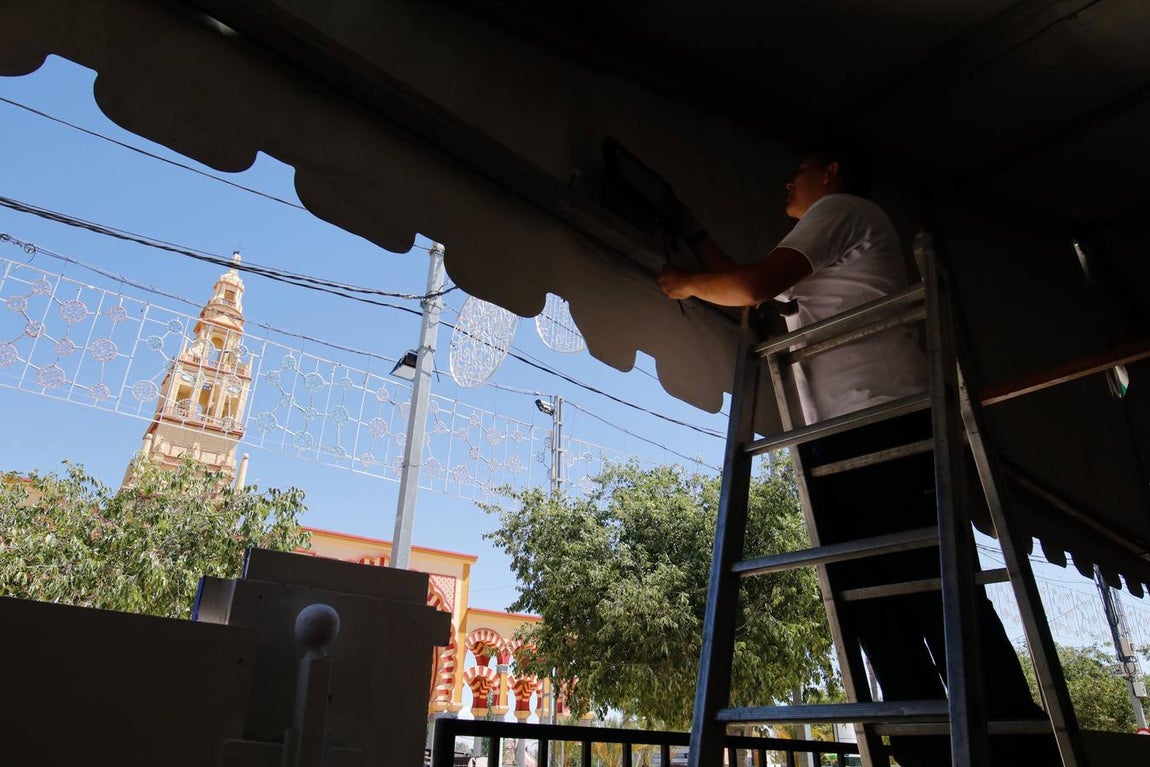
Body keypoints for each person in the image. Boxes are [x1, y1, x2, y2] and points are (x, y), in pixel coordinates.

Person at [659, 147, 1055, 767]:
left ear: (834, 171)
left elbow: (754, 284)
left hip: (884, 420)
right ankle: (927, 747)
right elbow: (752, 286)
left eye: (801, 168)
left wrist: (682, 282)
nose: (788, 178)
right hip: (840, 433)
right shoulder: (820, 250)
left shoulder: (845, 210)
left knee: (929, 591)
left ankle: (1014, 745)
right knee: (873, 601)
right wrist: (695, 235)